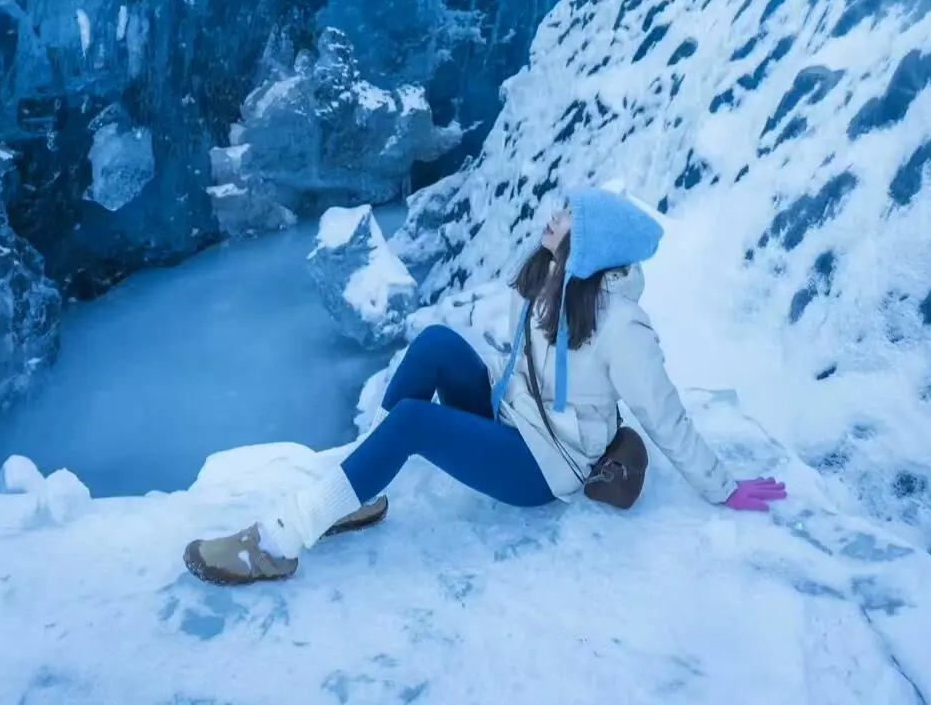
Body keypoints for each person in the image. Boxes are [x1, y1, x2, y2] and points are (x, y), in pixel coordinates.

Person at [184, 188, 787, 584]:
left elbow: (664, 413)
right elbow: (524, 368)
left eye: (568, 216)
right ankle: (358, 492)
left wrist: (724, 488)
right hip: (512, 421)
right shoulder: (549, 280)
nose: (554, 217)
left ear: (591, 242)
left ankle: (277, 542)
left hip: (541, 468)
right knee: (436, 344)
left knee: (414, 423)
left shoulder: (621, 325)